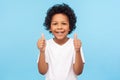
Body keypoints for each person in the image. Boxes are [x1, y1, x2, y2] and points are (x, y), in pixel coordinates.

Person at [37, 3, 85, 80]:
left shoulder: (76, 45)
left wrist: (77, 51)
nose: (59, 27)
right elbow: (42, 71)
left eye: (64, 23)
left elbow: (78, 72)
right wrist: (42, 51)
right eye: (55, 24)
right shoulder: (46, 45)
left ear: (70, 27)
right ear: (50, 27)